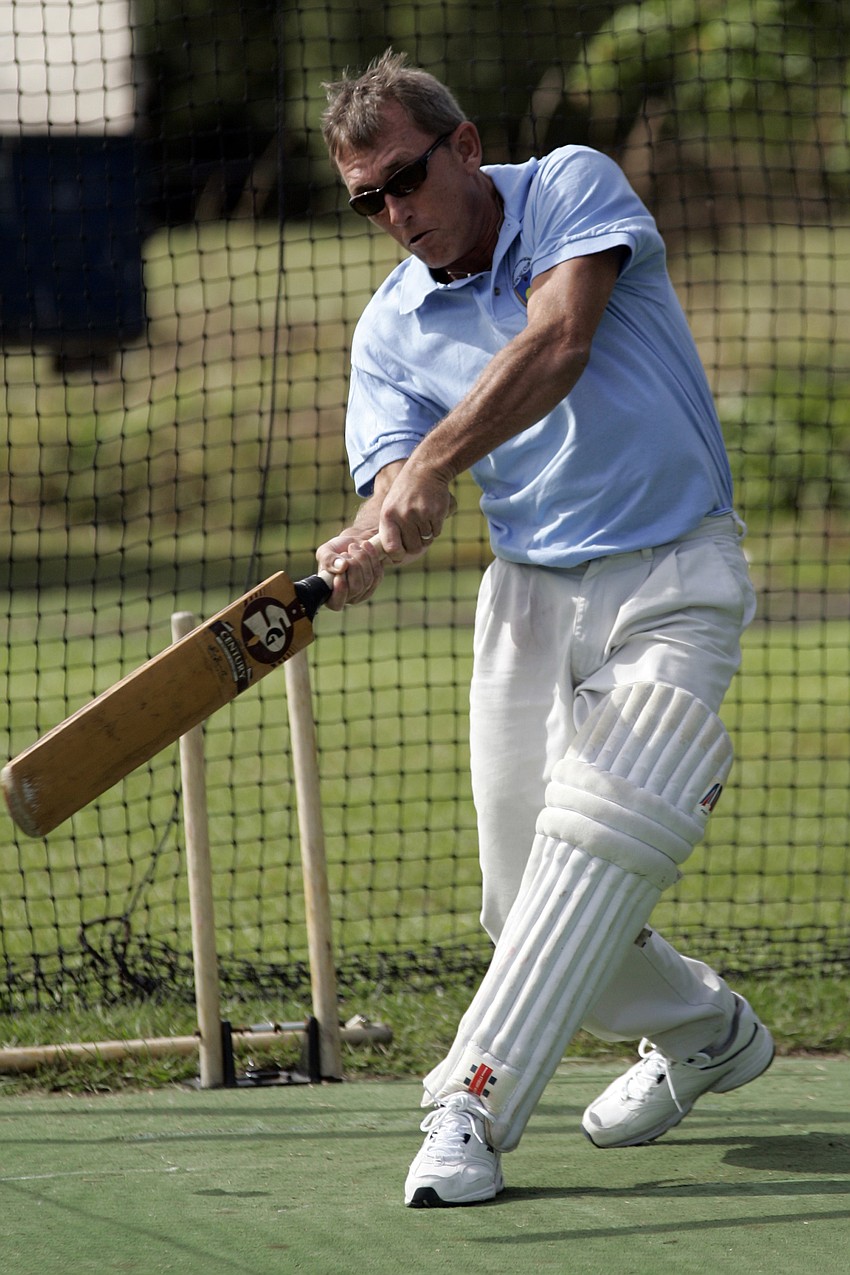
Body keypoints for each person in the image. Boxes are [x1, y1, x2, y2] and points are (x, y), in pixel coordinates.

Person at [317, 49, 774, 1208]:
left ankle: (469, 1103)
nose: (394, 212)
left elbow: (561, 341)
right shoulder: (387, 331)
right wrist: (374, 531)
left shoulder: (568, 184)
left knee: (599, 834)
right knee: (521, 905)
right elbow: (391, 488)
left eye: (406, 179)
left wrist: (429, 463)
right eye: (367, 199)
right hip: (525, 598)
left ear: (464, 145)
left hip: (675, 570)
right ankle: (708, 1031)